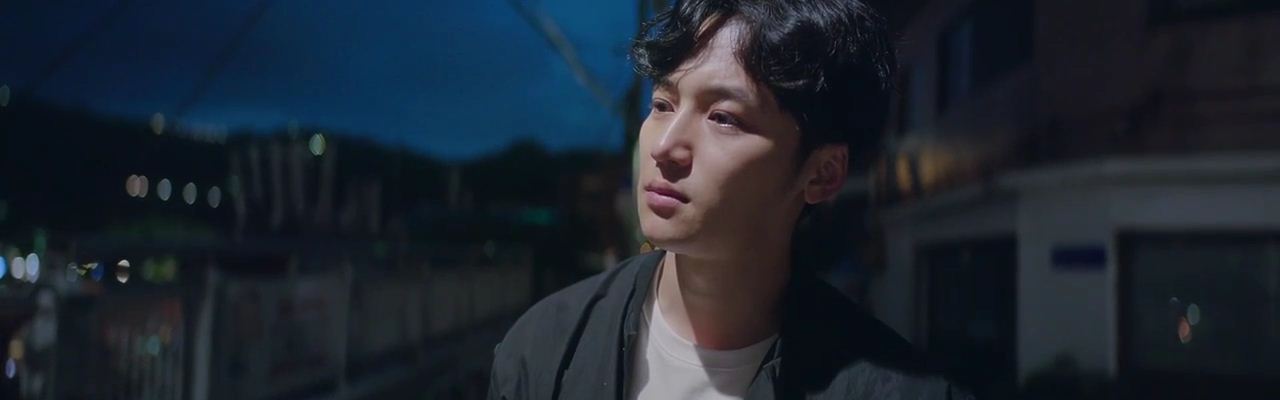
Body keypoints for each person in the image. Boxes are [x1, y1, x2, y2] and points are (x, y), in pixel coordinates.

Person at [488, 0, 970, 398]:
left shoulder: (899, 391)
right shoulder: (545, 349)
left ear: (822, 173)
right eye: (662, 104)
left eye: (723, 117)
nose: (664, 146)